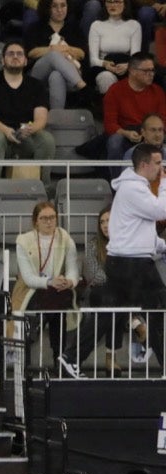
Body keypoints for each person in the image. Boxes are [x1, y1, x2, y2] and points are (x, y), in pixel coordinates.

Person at [106, 145, 166, 367]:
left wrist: (162, 245)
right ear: (144, 164)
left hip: (129, 260)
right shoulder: (133, 189)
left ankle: (71, 357)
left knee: (112, 313)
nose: (161, 168)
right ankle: (147, 339)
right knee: (158, 307)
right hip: (134, 263)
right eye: (158, 163)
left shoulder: (134, 187)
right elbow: (162, 211)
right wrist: (164, 185)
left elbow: (142, 231)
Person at [0, 40, 55, 189]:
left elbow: (41, 118)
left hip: (24, 134)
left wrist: (30, 129)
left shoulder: (36, 85)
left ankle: (44, 189)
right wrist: (6, 130)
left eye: (19, 54)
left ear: (25, 61)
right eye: (10, 54)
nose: (15, 57)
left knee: (46, 139)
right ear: (2, 60)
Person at [13, 201, 81, 369]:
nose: (49, 222)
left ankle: (52, 357)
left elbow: (73, 270)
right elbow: (28, 278)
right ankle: (58, 358)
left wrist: (69, 281)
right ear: (36, 221)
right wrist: (50, 282)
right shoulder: (23, 241)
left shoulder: (65, 238)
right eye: (44, 218)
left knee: (57, 298)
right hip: (30, 290)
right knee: (53, 301)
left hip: (58, 289)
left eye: (52, 217)